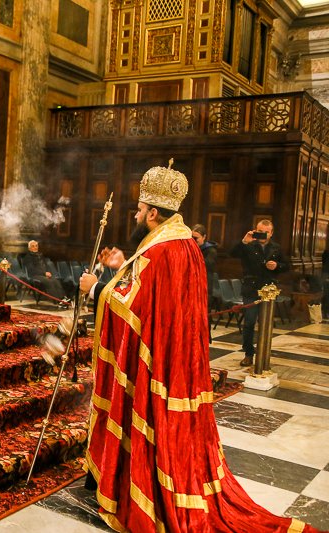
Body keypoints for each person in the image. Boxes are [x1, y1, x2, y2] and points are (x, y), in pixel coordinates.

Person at [78, 162, 314, 532]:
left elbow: (136, 308)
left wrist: (95, 288)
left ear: (153, 213)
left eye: (140, 209)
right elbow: (155, 298)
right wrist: (123, 267)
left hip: (159, 363)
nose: (136, 215)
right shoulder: (185, 243)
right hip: (181, 361)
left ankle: (146, 492)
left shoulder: (161, 249)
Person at [230, 220, 289, 367]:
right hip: (251, 288)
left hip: (268, 290)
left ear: (271, 233)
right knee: (249, 322)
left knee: (266, 323)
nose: (263, 234)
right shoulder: (248, 244)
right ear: (255, 230)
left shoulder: (276, 248)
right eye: (260, 231)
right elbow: (232, 254)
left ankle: (264, 353)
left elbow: (287, 266)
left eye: (266, 232)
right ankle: (248, 354)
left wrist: (277, 266)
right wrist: (244, 241)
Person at [192, 223, 218, 308]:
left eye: (196, 238)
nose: (193, 240)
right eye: (192, 237)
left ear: (204, 237)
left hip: (204, 285)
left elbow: (207, 265)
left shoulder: (211, 251)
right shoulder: (189, 248)